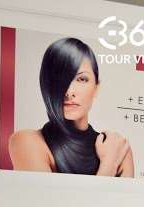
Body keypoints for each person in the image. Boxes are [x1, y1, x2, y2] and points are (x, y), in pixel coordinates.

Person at [9, 37, 134, 176]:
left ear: (96, 88)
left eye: (81, 79)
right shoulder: (27, 141)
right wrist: (109, 163)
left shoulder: (117, 147)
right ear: (46, 85)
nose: (69, 92)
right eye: (60, 79)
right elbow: (42, 192)